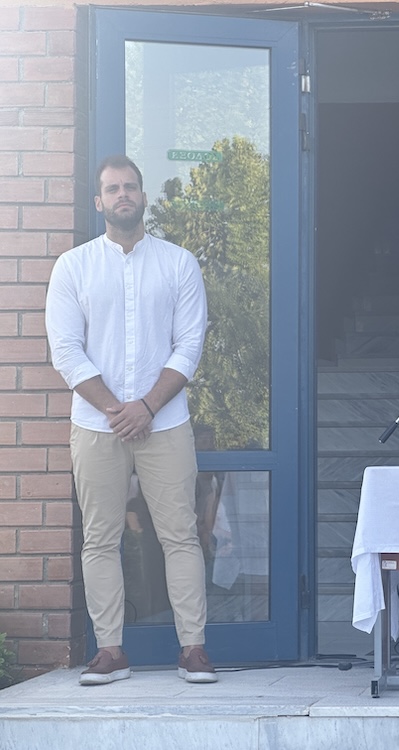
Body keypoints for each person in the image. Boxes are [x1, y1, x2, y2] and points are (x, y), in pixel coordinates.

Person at [45, 155, 217, 686]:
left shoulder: (179, 263)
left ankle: (193, 649)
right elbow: (65, 351)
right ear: (98, 201)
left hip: (165, 423)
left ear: (143, 197)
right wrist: (115, 409)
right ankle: (111, 652)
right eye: (113, 188)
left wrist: (146, 406)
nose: (123, 194)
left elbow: (189, 346)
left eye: (130, 187)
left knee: (181, 536)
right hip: (96, 426)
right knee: (99, 539)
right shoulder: (73, 267)